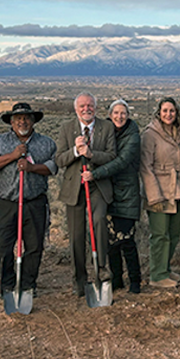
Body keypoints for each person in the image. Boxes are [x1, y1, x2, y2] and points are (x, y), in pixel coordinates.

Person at [0, 103, 57, 299]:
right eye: (18, 118)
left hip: (35, 201)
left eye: (26, 117)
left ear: (33, 120)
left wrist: (32, 168)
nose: (22, 121)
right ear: (11, 121)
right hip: (8, 202)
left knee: (34, 246)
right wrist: (13, 156)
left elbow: (53, 167)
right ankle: (6, 282)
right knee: (1, 245)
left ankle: (27, 284)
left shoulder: (46, 143)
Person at [55, 93, 117, 297]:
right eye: (82, 106)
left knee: (99, 222)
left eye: (90, 105)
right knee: (76, 235)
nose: (86, 109)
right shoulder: (66, 128)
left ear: (96, 108)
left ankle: (100, 270)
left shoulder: (106, 127)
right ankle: (79, 279)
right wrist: (75, 150)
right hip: (75, 189)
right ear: (76, 109)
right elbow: (59, 160)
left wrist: (91, 155)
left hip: (98, 187)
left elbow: (111, 155)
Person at [140, 97, 180, 289]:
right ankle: (157, 274)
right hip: (159, 190)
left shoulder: (179, 132)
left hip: (178, 189)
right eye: (165, 111)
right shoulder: (150, 134)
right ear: (159, 112)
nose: (168, 114)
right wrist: (154, 195)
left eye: (172, 111)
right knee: (160, 234)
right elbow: (145, 167)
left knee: (173, 233)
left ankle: (165, 268)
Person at [91, 99, 143, 294]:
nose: (120, 117)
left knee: (126, 239)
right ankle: (117, 278)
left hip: (127, 193)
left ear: (128, 115)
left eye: (123, 113)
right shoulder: (104, 132)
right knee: (111, 240)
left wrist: (95, 174)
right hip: (108, 192)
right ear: (110, 115)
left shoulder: (133, 135)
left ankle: (135, 280)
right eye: (116, 113)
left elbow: (121, 161)